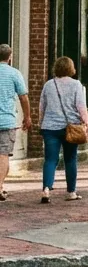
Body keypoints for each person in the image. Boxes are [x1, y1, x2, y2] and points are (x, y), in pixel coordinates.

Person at [38, 57, 88, 203]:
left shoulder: (49, 84)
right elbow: (81, 106)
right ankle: (71, 191)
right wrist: (86, 123)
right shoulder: (76, 85)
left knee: (50, 159)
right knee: (70, 159)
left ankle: (46, 189)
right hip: (70, 127)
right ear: (71, 69)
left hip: (50, 127)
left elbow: (42, 106)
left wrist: (40, 123)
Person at [0, 44, 32, 202]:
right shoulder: (15, 74)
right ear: (10, 57)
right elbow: (23, 97)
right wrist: (27, 117)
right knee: (3, 155)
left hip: (7, 121)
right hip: (7, 121)